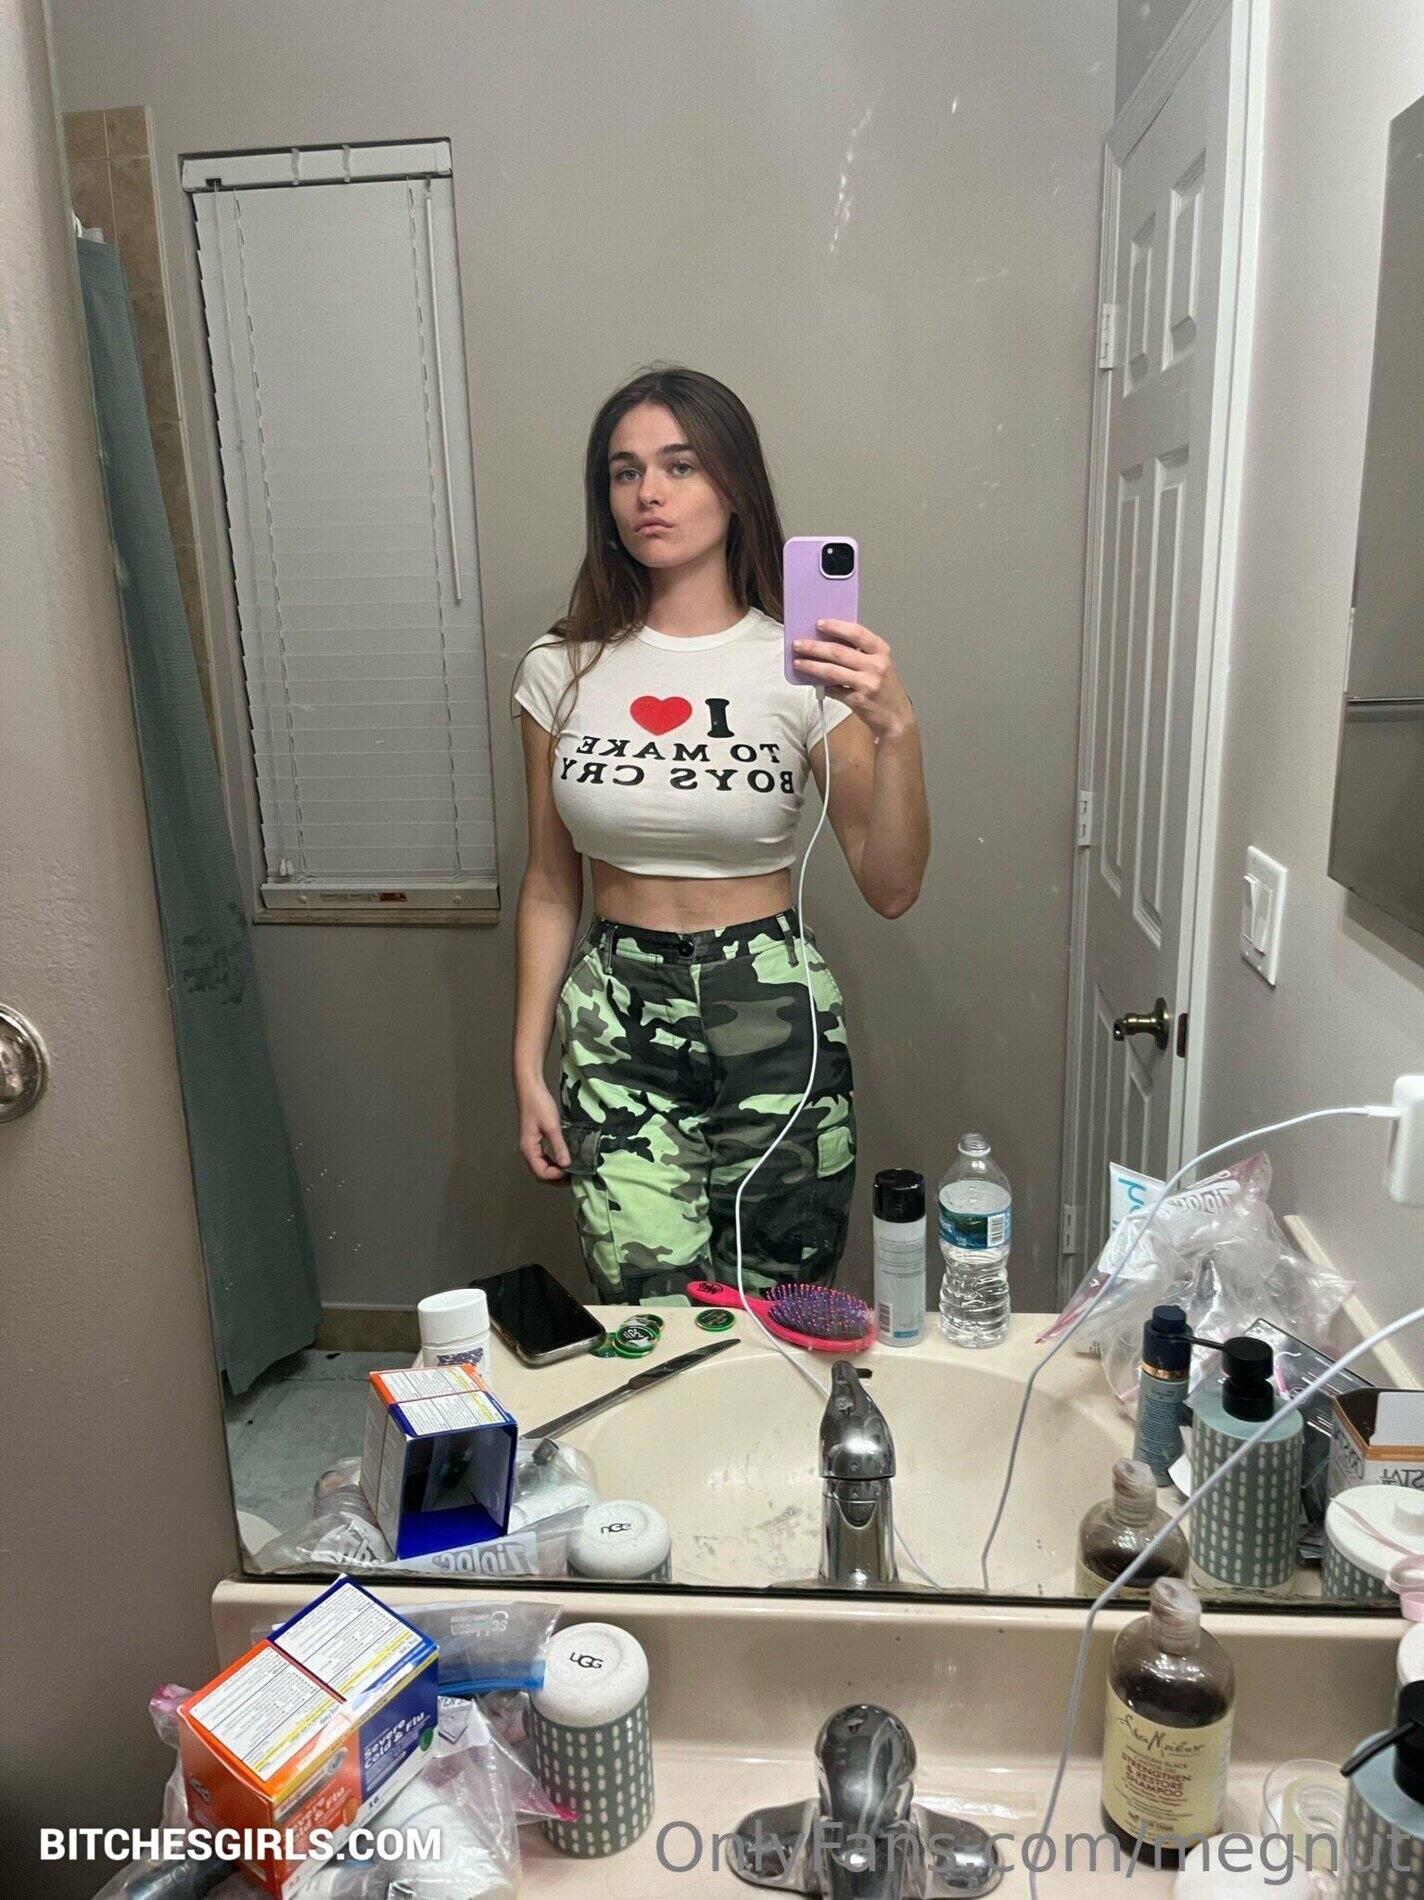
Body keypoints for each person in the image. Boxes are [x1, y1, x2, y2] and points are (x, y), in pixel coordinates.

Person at [511, 364, 929, 1304]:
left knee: (783, 1309)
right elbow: (549, 883)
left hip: (773, 1009)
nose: (648, 493)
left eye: (680, 465)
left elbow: (892, 886)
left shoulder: (803, 664)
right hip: (614, 1013)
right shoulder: (559, 667)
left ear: (734, 484)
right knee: (647, 1308)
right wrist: (526, 1065)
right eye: (625, 472)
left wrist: (898, 732)